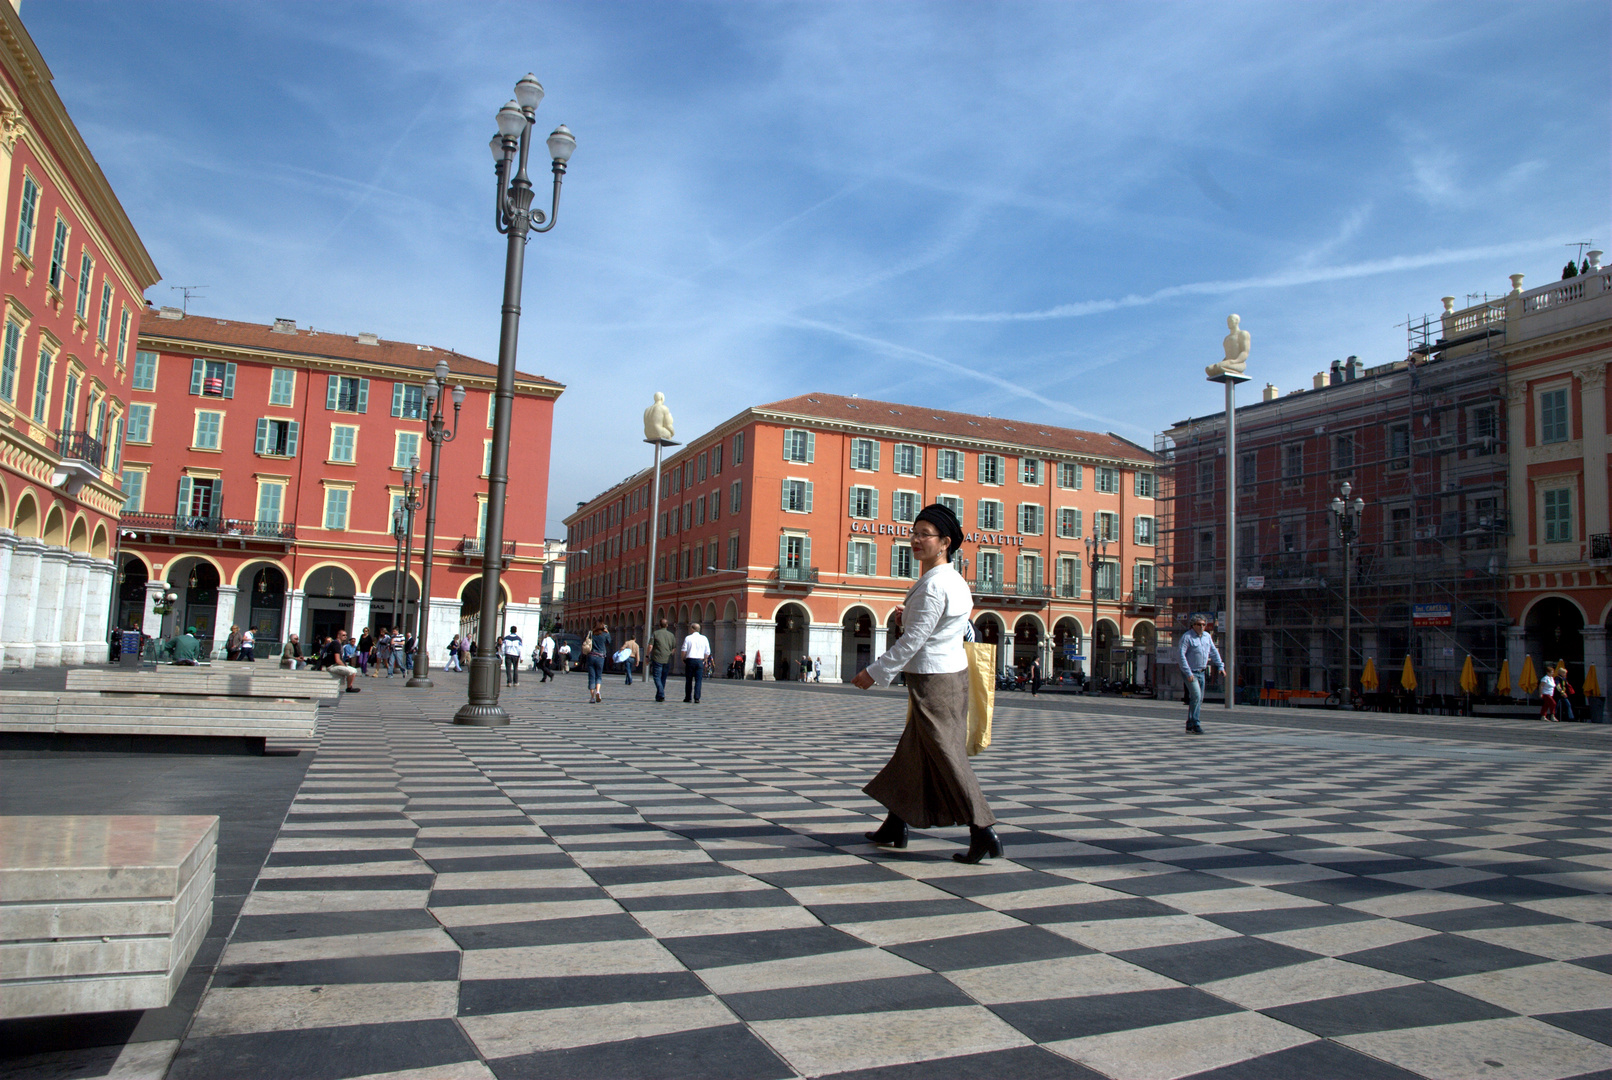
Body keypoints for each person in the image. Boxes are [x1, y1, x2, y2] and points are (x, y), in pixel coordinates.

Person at [851, 503, 1001, 864]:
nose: (915, 540)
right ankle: (895, 824)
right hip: (947, 673)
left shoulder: (935, 585)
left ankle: (983, 831)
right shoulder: (952, 580)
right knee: (912, 755)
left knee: (948, 756)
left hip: (935, 680)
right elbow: (945, 627)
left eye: (924, 535)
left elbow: (915, 639)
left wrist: (875, 672)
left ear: (945, 542)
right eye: (914, 533)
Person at [1177, 614, 1222, 735]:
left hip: (1202, 672)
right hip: (1190, 672)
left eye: (1203, 625)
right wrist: (1188, 672)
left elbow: (1213, 652)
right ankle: (1196, 723)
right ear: (1193, 625)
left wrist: (1220, 666)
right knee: (1196, 696)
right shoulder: (1187, 637)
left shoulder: (1207, 636)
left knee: (1198, 699)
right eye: (1198, 624)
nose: (1201, 627)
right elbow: (1181, 656)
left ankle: (1190, 724)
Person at [682, 621, 712, 703]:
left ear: (692, 629)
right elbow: (707, 652)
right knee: (698, 680)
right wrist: (705, 659)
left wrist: (683, 658)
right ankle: (697, 698)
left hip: (690, 660)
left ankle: (688, 697)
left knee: (689, 680)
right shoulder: (704, 638)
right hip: (699, 661)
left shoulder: (688, 638)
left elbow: (684, 650)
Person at [649, 618, 677, 702]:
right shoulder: (671, 635)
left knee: (657, 677)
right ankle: (659, 696)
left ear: (659, 625)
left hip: (657, 658)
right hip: (667, 659)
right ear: (667, 625)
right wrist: (670, 654)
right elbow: (674, 648)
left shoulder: (655, 633)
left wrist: (647, 656)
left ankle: (661, 693)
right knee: (663, 678)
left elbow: (650, 646)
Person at [586, 620, 613, 703]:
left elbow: (586, 642)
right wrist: (607, 632)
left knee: (591, 677)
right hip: (600, 657)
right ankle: (598, 691)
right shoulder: (604, 635)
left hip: (591, 656)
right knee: (598, 676)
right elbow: (609, 642)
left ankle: (592, 697)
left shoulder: (591, 634)